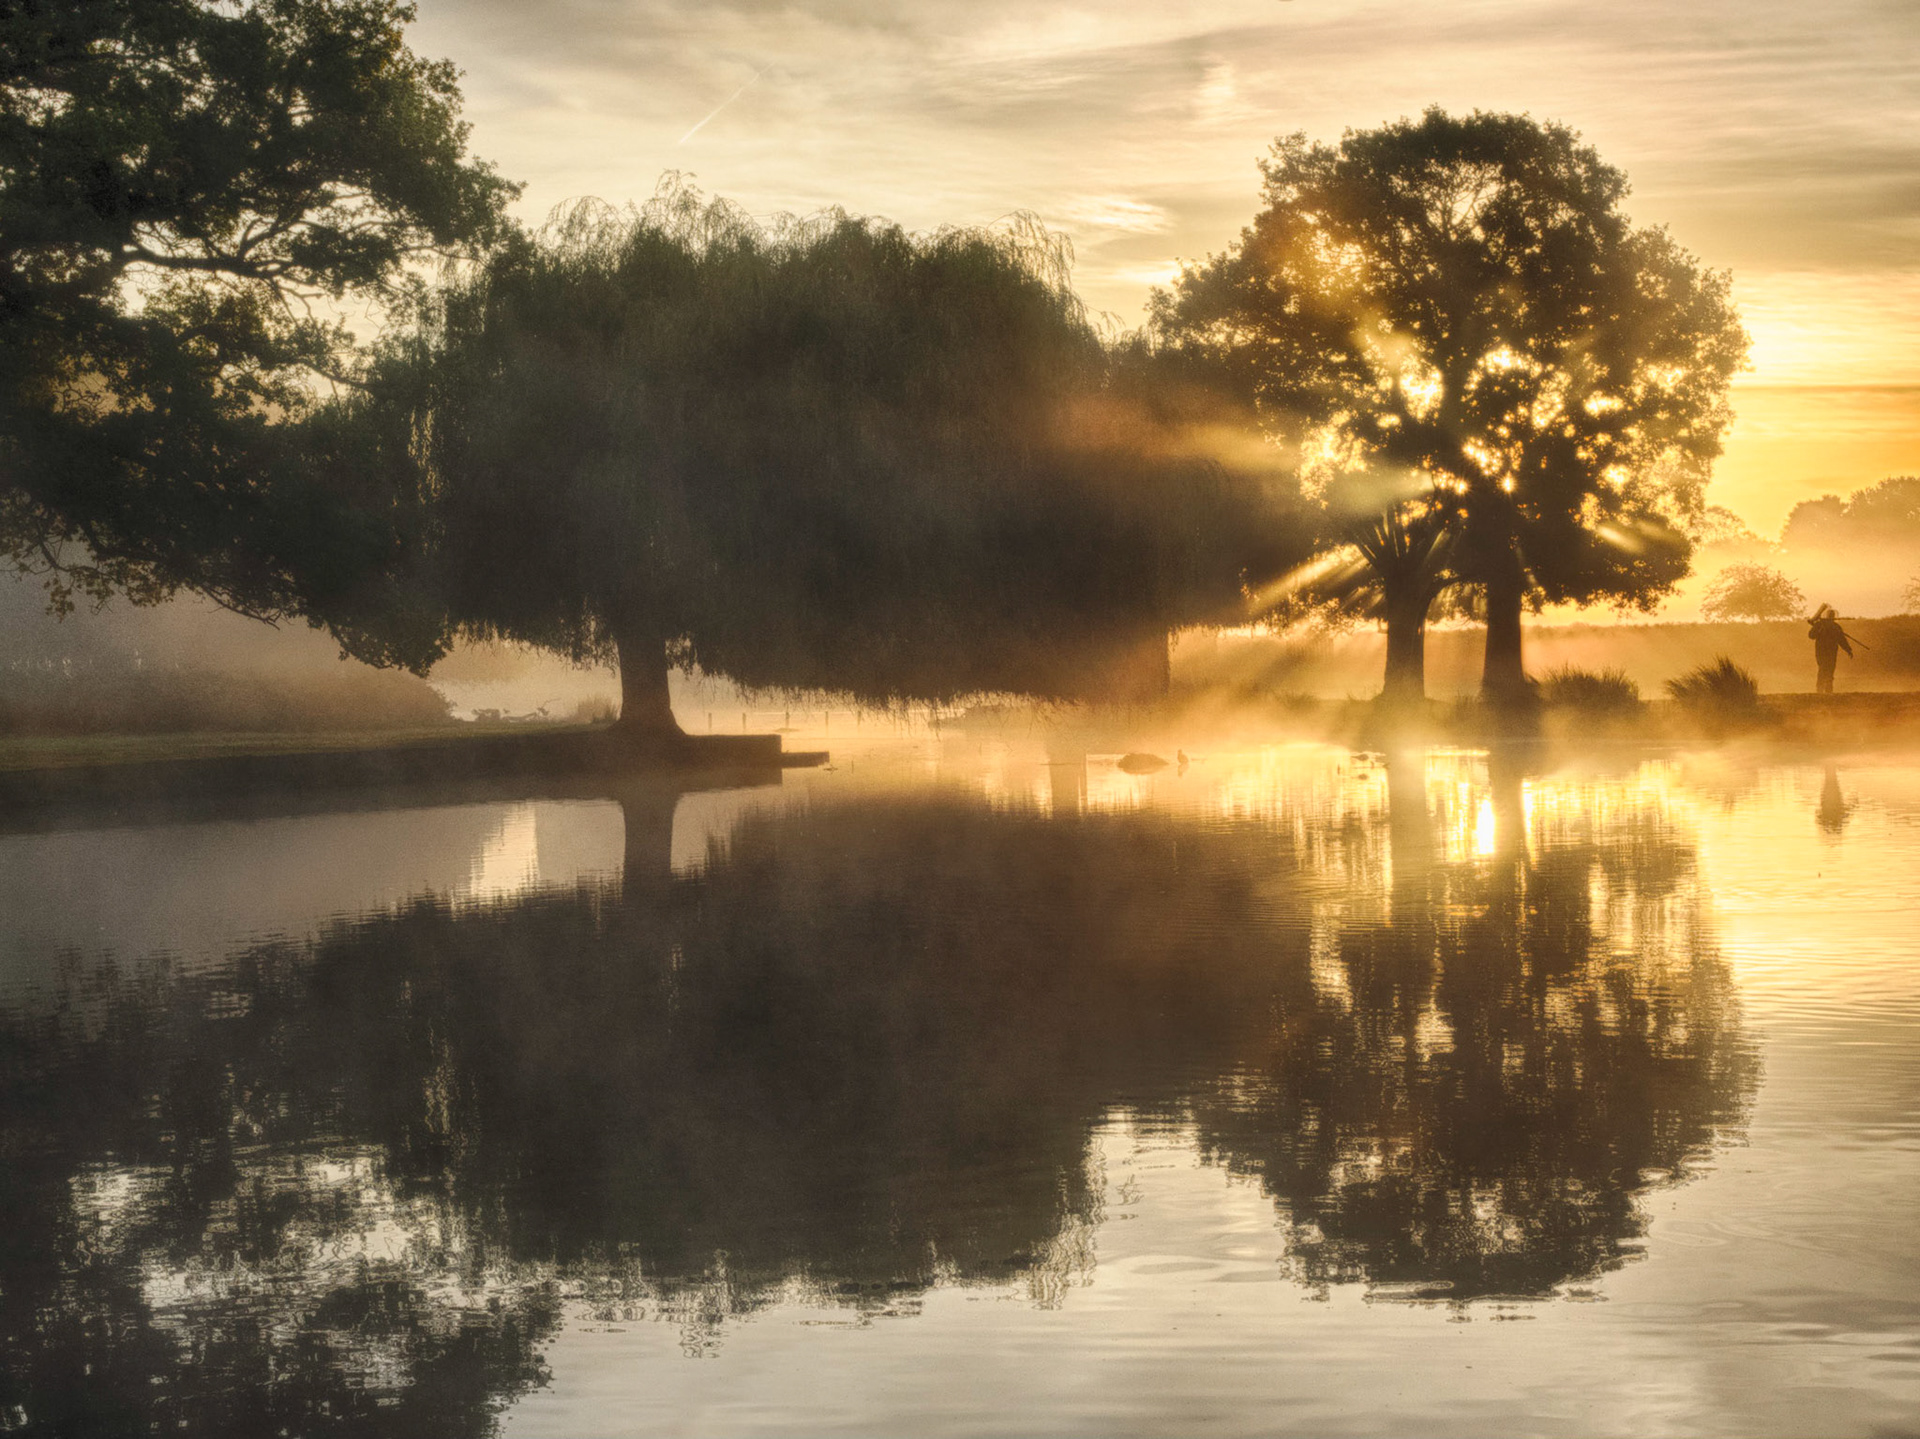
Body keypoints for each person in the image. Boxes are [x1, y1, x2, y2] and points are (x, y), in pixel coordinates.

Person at [1807, 604, 1852, 694]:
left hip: (1829, 652)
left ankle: (1827, 689)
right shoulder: (1823, 626)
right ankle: (1821, 689)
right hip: (1823, 652)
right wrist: (1848, 650)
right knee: (1824, 668)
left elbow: (1842, 640)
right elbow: (1811, 636)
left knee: (1828, 669)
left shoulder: (1833, 627)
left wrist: (1848, 649)